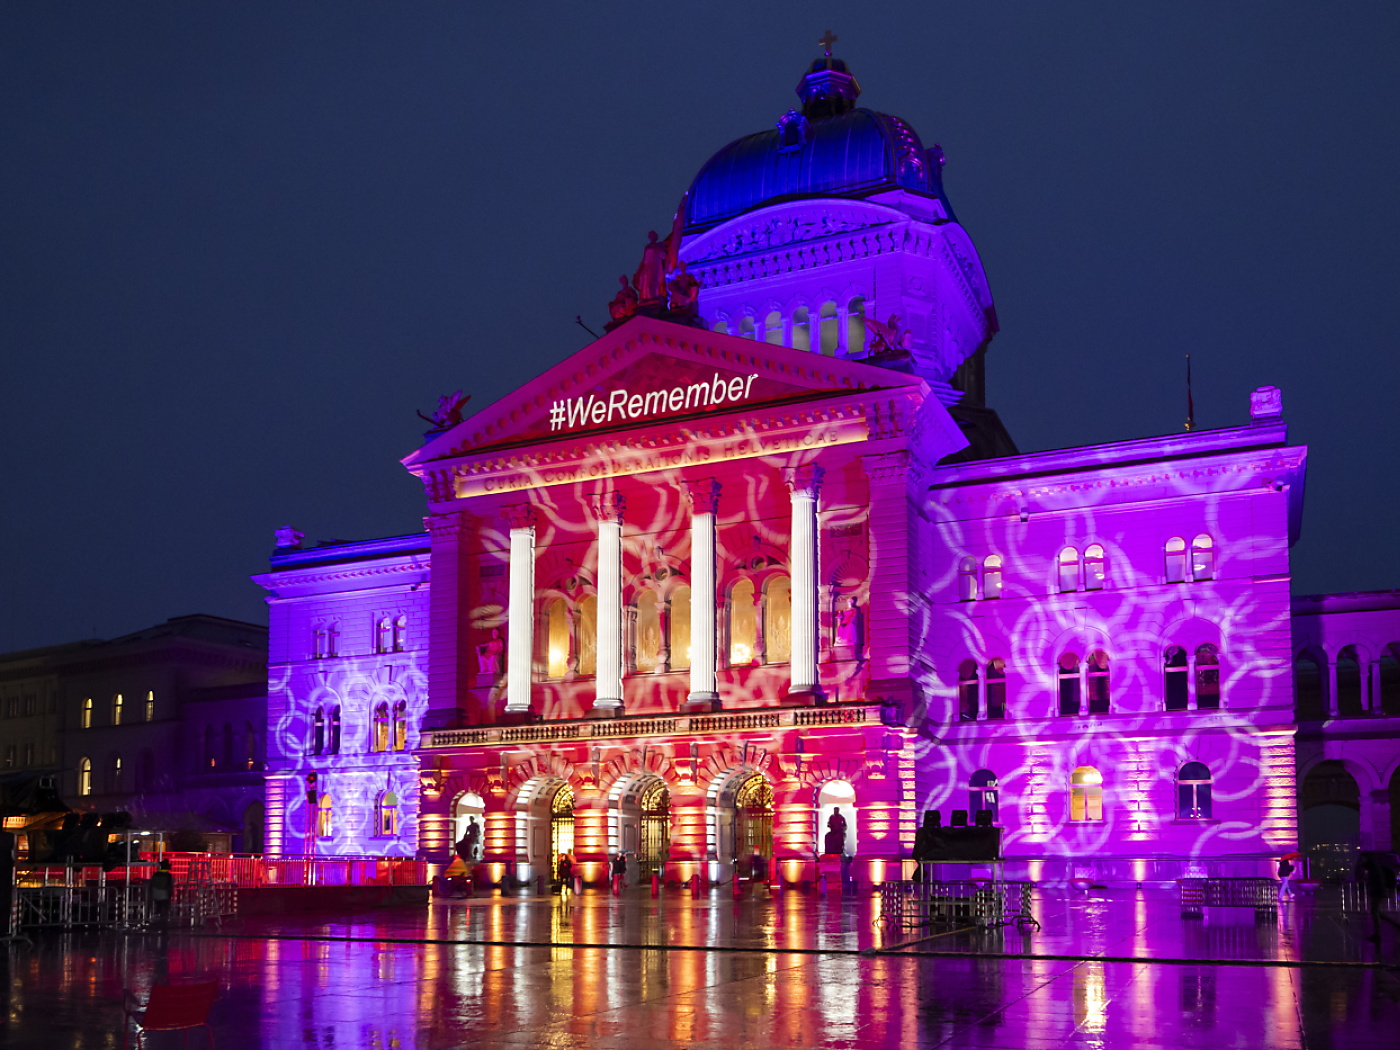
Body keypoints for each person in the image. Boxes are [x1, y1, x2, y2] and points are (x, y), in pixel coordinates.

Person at [150, 859, 174, 925]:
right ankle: (164, 923)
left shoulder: (155, 874)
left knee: (158, 907)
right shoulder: (168, 875)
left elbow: (151, 884)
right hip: (165, 894)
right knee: (165, 909)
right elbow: (169, 886)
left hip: (156, 894)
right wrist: (171, 894)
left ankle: (157, 921)